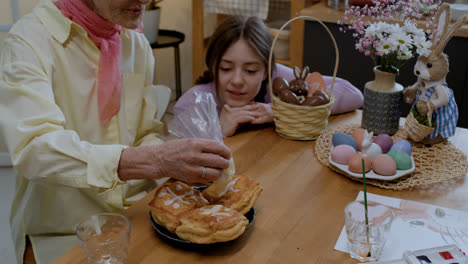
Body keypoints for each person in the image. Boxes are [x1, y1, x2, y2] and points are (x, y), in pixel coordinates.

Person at [0, 0, 231, 263]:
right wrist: (154, 160)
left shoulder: (135, 42)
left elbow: (145, 133)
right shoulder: (29, 41)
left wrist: (175, 161)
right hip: (62, 232)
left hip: (136, 214)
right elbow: (33, 149)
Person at [174, 16, 364, 137]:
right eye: (225, 68)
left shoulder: (279, 80)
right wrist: (218, 131)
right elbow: (186, 166)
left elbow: (354, 95)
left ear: (266, 70)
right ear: (213, 65)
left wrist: (281, 110)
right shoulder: (193, 103)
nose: (237, 80)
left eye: (250, 71)